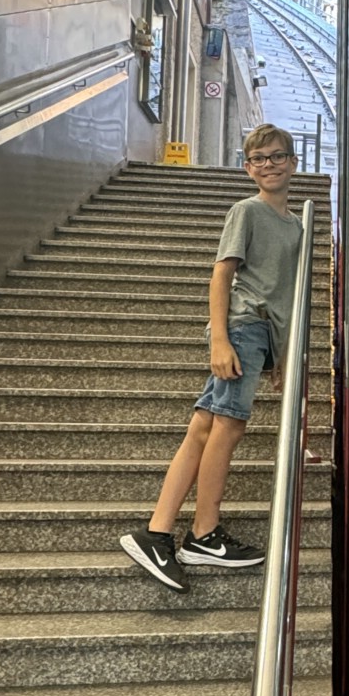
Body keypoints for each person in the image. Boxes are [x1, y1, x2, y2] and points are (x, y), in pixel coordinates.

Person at [120, 123, 303, 593]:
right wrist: (220, 339)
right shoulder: (247, 211)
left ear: (293, 162)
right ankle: (203, 533)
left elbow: (285, 296)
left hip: (260, 334)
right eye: (259, 159)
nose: (269, 165)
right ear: (247, 168)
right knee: (228, 425)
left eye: (277, 156)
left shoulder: (296, 225)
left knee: (204, 426)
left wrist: (282, 356)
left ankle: (157, 531)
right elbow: (222, 275)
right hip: (242, 328)